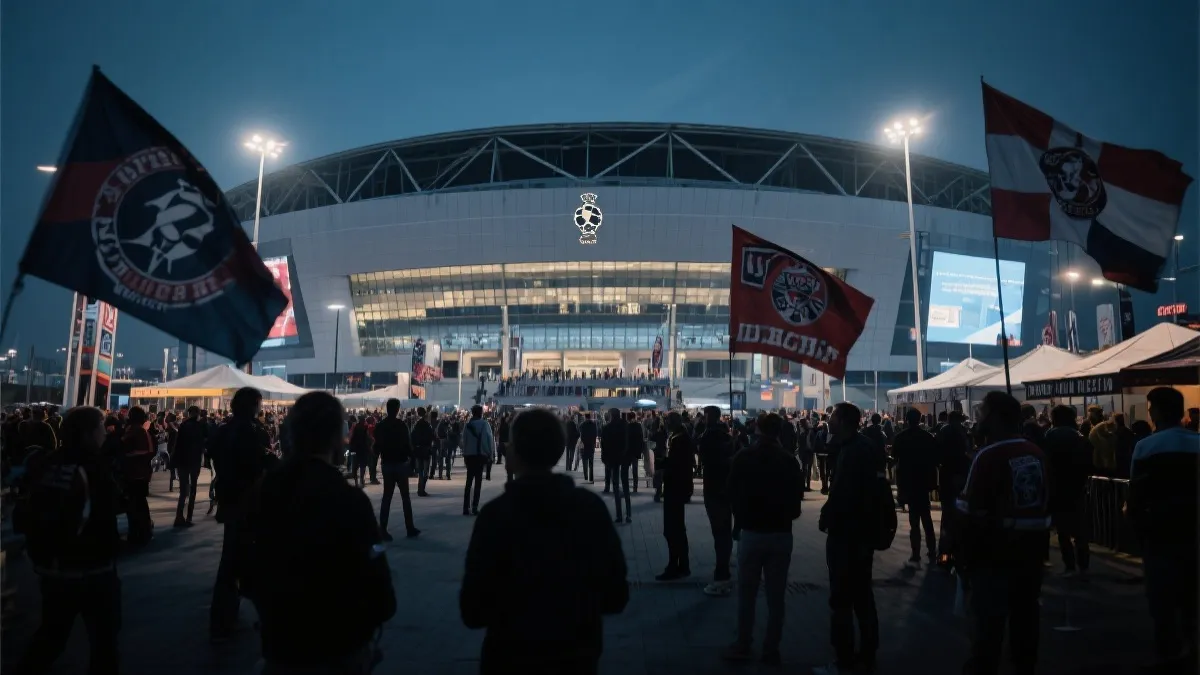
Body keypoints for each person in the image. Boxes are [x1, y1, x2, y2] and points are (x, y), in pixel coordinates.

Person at [460, 409, 629, 675]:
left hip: (510, 655)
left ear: (515, 453)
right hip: (575, 655)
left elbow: (472, 610)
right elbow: (616, 596)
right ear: (560, 449)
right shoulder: (589, 509)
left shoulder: (496, 516)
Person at [241, 392, 396, 674]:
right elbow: (380, 589)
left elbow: (247, 571)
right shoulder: (348, 500)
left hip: (282, 645)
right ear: (336, 436)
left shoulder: (264, 492)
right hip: (337, 648)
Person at [14, 407, 121, 675]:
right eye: (100, 427)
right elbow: (109, 508)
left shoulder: (49, 462)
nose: (105, 433)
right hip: (93, 569)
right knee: (104, 644)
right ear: (88, 433)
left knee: (51, 636)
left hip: (52, 567)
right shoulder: (93, 466)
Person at [957, 391, 1051, 675]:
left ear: (996, 418)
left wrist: (960, 554)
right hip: (1031, 554)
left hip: (993, 555)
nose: (978, 418)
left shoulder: (988, 455)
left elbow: (967, 508)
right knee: (1025, 619)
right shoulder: (1035, 453)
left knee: (988, 626)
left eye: (983, 412)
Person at [1128, 387, 1200, 672]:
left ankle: (1170, 655)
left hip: (1159, 534)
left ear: (1155, 411)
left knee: (1163, 602)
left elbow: (1136, 494)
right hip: (1193, 531)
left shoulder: (1146, 447)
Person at [723, 413, 804, 667]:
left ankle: (744, 643)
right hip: (781, 533)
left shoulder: (744, 457)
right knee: (776, 596)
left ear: (757, 429)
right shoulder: (790, 461)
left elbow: (732, 493)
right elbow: (796, 502)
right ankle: (772, 648)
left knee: (746, 593)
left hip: (752, 531)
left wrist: (740, 521)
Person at [814, 402, 885, 675]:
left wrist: (828, 515)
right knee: (862, 596)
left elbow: (844, 493)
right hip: (861, 535)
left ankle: (844, 659)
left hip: (848, 535)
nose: (828, 421)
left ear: (843, 421)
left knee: (842, 598)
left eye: (832, 417)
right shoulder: (862, 447)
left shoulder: (853, 451)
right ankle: (867, 654)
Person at [209, 387, 273, 641]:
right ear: (253, 405)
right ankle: (229, 616)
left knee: (233, 558)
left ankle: (225, 614)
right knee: (243, 558)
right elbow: (258, 462)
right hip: (247, 499)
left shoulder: (224, 430)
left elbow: (215, 456)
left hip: (230, 497)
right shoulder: (250, 430)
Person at [1043, 404, 1093, 578]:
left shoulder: (1050, 436)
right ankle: (1084, 566)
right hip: (1078, 488)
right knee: (1080, 532)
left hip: (1057, 489)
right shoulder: (1080, 437)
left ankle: (1070, 566)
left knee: (1063, 531)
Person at [891, 408, 938, 567]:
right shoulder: (928, 437)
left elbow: (895, 456)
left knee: (914, 520)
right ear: (920, 419)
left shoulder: (901, 437)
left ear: (906, 419)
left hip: (908, 482)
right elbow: (934, 458)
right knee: (926, 517)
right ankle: (932, 549)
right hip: (923, 481)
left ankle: (916, 552)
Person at [696, 405, 735, 596]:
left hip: (715, 488)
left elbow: (704, 456)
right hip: (724, 489)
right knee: (723, 533)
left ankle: (722, 576)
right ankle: (724, 572)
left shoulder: (710, 435)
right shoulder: (726, 435)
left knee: (720, 534)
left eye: (705, 415)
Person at [657, 411, 695, 581]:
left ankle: (674, 565)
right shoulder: (681, 436)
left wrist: (660, 462)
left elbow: (675, 464)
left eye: (667, 421)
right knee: (678, 528)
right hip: (679, 488)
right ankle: (683, 564)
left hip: (675, 488)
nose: (665, 424)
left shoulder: (678, 439)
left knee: (672, 529)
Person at [121, 406, 155, 547]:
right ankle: (139, 532)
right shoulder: (136, 430)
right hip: (137, 474)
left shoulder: (138, 431)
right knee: (137, 504)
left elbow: (147, 451)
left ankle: (140, 533)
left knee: (137, 505)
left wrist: (127, 455)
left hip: (137, 474)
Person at [173, 406, 207, 528]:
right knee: (193, 489)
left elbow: (177, 444)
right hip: (194, 461)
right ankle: (189, 518)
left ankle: (179, 516)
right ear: (197, 414)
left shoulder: (183, 425)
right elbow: (203, 443)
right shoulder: (200, 426)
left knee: (183, 491)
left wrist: (174, 461)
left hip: (182, 461)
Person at [460, 405, 494, 516]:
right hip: (479, 456)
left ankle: (465, 507)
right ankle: (474, 506)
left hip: (469, 456)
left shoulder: (467, 425)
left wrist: (465, 453)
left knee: (468, 482)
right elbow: (488, 440)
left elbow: (463, 441)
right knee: (478, 482)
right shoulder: (484, 424)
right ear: (480, 413)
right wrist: (490, 454)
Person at [600, 409, 631, 522]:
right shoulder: (626, 426)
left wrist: (605, 459)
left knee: (616, 488)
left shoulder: (607, 428)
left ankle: (619, 515)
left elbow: (604, 446)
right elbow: (629, 442)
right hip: (624, 459)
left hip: (613, 460)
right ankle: (628, 514)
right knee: (626, 486)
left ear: (611, 415)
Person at [411, 408, 436, 496]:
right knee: (425, 471)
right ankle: (422, 489)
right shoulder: (427, 426)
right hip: (426, 450)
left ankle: (420, 489)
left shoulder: (416, 425)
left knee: (420, 471)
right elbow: (432, 437)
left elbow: (412, 437)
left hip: (418, 450)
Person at [579, 412, 598, 483]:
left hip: (584, 445)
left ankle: (585, 476)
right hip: (591, 445)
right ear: (590, 417)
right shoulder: (593, 425)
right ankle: (591, 477)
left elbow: (581, 434)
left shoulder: (582, 425)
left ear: (585, 417)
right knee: (591, 463)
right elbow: (595, 434)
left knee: (584, 461)